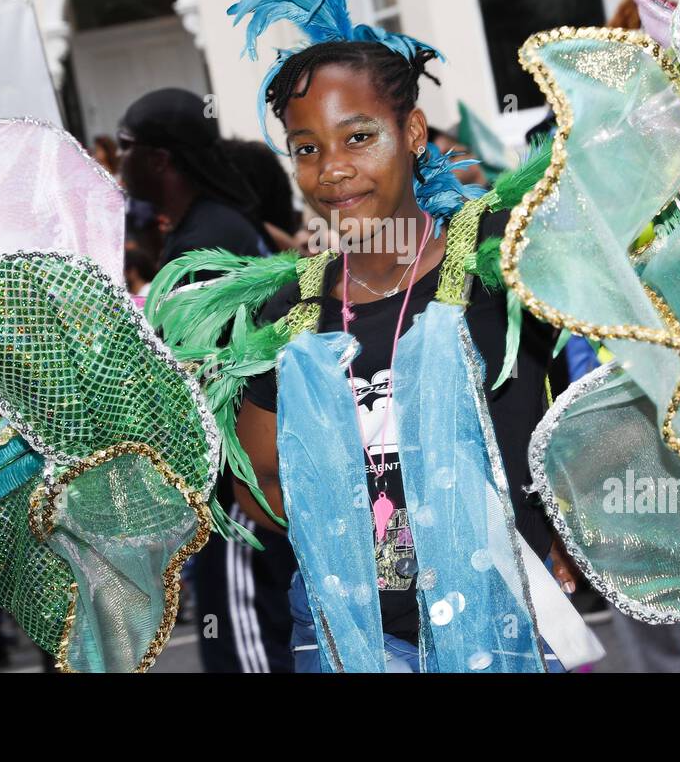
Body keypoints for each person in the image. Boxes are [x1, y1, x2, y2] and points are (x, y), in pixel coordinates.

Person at [230, 40, 586, 673]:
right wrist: (348, 543)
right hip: (344, 640)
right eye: (306, 148)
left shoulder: (501, 265)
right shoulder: (286, 311)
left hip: (505, 624)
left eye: (359, 137)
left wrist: (555, 528)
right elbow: (261, 477)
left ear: (414, 131)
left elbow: (582, 403)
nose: (332, 168)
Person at [118, 87, 296, 674]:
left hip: (240, 484)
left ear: (160, 159)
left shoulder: (204, 240)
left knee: (247, 655)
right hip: (247, 472)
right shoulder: (212, 224)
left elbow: (193, 373)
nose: (117, 163)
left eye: (125, 149)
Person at [117, 88, 268, 271]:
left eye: (125, 145)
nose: (118, 154)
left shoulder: (201, 250)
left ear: (159, 160)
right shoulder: (212, 220)